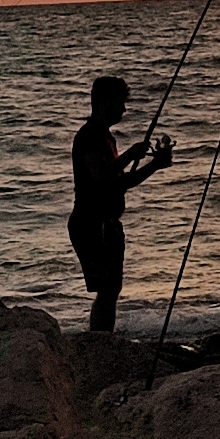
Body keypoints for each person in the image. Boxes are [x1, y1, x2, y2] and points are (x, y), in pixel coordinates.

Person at [68, 76, 173, 332]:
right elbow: (103, 178)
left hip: (106, 223)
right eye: (120, 102)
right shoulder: (90, 136)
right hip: (92, 224)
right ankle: (100, 342)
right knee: (107, 289)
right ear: (104, 101)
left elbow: (120, 183)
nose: (123, 109)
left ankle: (101, 340)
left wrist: (155, 165)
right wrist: (130, 154)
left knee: (111, 289)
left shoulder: (104, 137)